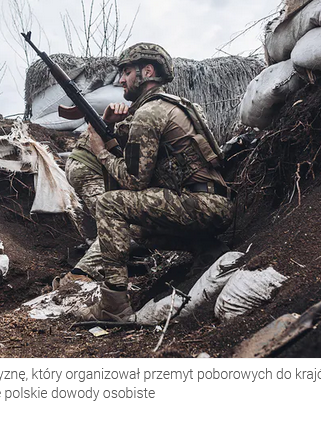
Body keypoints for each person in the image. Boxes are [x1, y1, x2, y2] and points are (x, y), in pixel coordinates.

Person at [72, 42, 233, 322]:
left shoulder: (148, 114)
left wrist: (99, 151)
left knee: (110, 204)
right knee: (138, 227)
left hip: (199, 204)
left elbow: (134, 180)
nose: (121, 79)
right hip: (215, 203)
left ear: (146, 71)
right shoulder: (180, 106)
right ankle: (205, 248)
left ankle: (113, 304)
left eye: (125, 72)